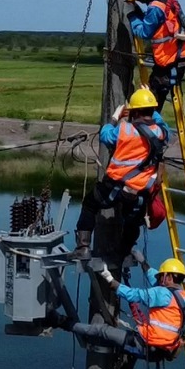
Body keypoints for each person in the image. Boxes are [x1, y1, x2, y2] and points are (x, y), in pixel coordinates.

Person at [64, 257, 185, 369]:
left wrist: (111, 281)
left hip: (147, 345)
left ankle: (64, 323)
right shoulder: (183, 297)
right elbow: (157, 284)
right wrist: (145, 265)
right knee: (130, 352)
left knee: (101, 331)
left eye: (162, 276)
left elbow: (134, 295)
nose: (159, 280)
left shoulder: (161, 293)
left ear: (168, 276)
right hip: (163, 350)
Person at [72, 87, 170, 261]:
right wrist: (151, 105)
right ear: (152, 110)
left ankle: (83, 247)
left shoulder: (125, 129)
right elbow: (163, 125)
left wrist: (115, 117)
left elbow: (106, 135)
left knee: (90, 204)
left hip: (114, 186)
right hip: (140, 192)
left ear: (135, 111)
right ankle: (123, 252)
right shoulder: (162, 133)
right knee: (133, 222)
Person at [121, 0, 185, 113]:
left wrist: (131, 14)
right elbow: (152, 23)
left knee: (149, 109)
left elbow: (143, 32)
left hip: (169, 61)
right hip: (176, 57)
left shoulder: (155, 8)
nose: (138, 0)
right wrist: (136, 9)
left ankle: (152, 133)